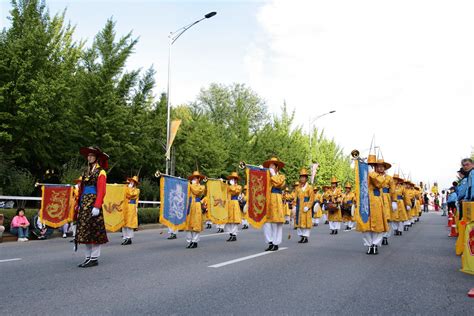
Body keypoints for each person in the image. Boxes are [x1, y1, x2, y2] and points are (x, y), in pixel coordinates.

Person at [75, 146, 109, 268]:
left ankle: (94, 258)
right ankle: (88, 257)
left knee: (94, 231)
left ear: (96, 157)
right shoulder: (85, 171)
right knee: (85, 231)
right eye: (88, 156)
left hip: (94, 203)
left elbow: (102, 190)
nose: (89, 157)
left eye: (91, 156)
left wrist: (97, 205)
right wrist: (79, 204)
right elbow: (82, 189)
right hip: (85, 203)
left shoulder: (101, 172)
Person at [358, 159, 390, 255]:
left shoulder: (381, 176)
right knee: (365, 224)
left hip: (377, 202)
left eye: (382, 166)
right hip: (366, 200)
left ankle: (375, 244)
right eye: (377, 166)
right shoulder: (369, 174)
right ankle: (369, 245)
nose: (380, 168)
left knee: (378, 225)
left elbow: (380, 183)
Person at [262, 157, 286, 252]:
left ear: (276, 168)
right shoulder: (267, 177)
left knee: (276, 223)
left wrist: (272, 174)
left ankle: (276, 243)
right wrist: (259, 172)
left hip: (276, 200)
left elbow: (278, 184)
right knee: (266, 222)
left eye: (272, 166)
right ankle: (270, 242)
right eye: (269, 166)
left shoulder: (281, 176)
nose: (270, 167)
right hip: (267, 200)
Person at [185, 171, 206, 249]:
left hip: (196, 205)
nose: (193, 179)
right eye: (193, 178)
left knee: (196, 224)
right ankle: (189, 241)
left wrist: (190, 185)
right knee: (189, 225)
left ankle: (195, 241)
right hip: (189, 205)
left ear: (198, 179)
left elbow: (196, 191)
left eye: (195, 178)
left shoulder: (201, 187)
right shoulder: (189, 185)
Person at [294, 168, 314, 243]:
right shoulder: (297, 188)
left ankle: (305, 236)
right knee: (298, 221)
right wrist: (294, 206)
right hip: (299, 206)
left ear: (306, 178)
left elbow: (311, 199)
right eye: (301, 177)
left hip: (305, 206)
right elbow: (295, 198)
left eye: (304, 177)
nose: (302, 178)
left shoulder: (310, 188)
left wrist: (308, 206)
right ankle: (301, 236)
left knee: (306, 222)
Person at [122, 176, 140, 245]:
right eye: (131, 181)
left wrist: (129, 188)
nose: (131, 182)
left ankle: (129, 238)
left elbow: (131, 194)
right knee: (123, 223)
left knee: (129, 223)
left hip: (131, 207)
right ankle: (125, 237)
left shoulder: (137, 190)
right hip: (125, 207)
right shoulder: (126, 188)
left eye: (133, 182)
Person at [225, 172, 242, 242]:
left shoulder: (239, 186)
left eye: (234, 179)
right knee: (229, 221)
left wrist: (231, 185)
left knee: (234, 220)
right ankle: (231, 234)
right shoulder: (228, 187)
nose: (232, 180)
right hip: (229, 203)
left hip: (234, 203)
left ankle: (234, 234)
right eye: (232, 179)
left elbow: (235, 192)